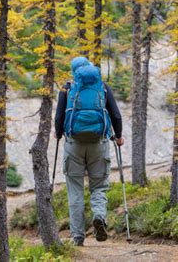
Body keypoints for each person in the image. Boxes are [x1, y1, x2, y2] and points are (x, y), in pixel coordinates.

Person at [54, 56, 124, 246]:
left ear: (74, 71)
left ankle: (77, 236)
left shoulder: (67, 89)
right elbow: (116, 115)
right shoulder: (103, 87)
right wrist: (118, 136)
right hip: (99, 144)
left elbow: (59, 116)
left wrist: (58, 133)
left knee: (75, 190)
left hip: (74, 144)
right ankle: (99, 216)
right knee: (99, 185)